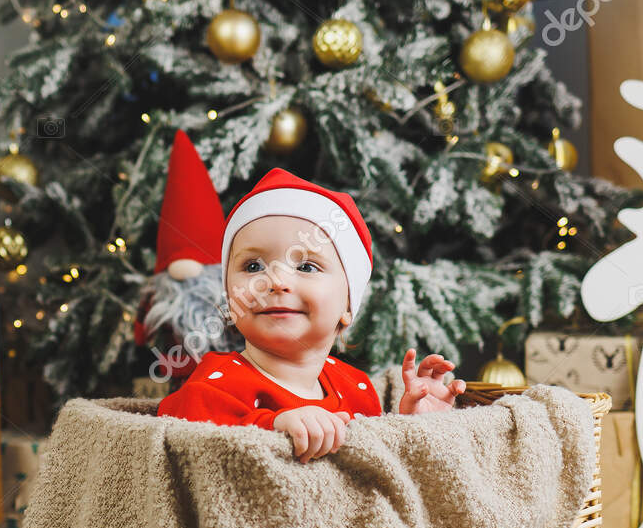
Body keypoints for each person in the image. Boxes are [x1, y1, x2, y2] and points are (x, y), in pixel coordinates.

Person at [157, 167, 466, 462]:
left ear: (348, 306)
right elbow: (182, 438)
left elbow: (372, 469)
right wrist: (272, 426)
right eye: (253, 266)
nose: (275, 281)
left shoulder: (355, 386)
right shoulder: (215, 381)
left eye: (306, 266)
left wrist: (412, 424)